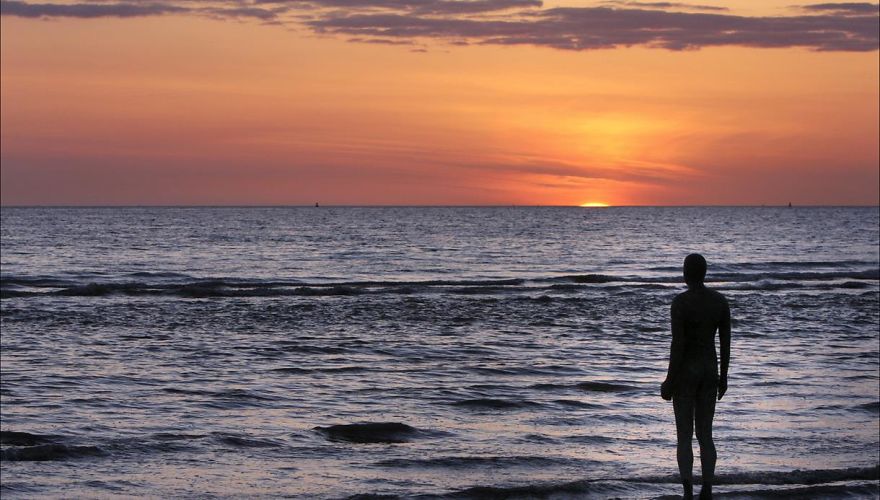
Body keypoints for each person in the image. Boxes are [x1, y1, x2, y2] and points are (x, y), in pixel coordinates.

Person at [661, 254, 731, 499]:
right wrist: (724, 377)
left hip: (686, 374)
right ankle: (708, 487)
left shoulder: (680, 303)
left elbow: (678, 344)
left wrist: (669, 381)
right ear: (704, 272)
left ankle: (688, 489)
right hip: (709, 370)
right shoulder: (720, 302)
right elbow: (725, 344)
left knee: (684, 435)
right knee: (705, 434)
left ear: (686, 273)